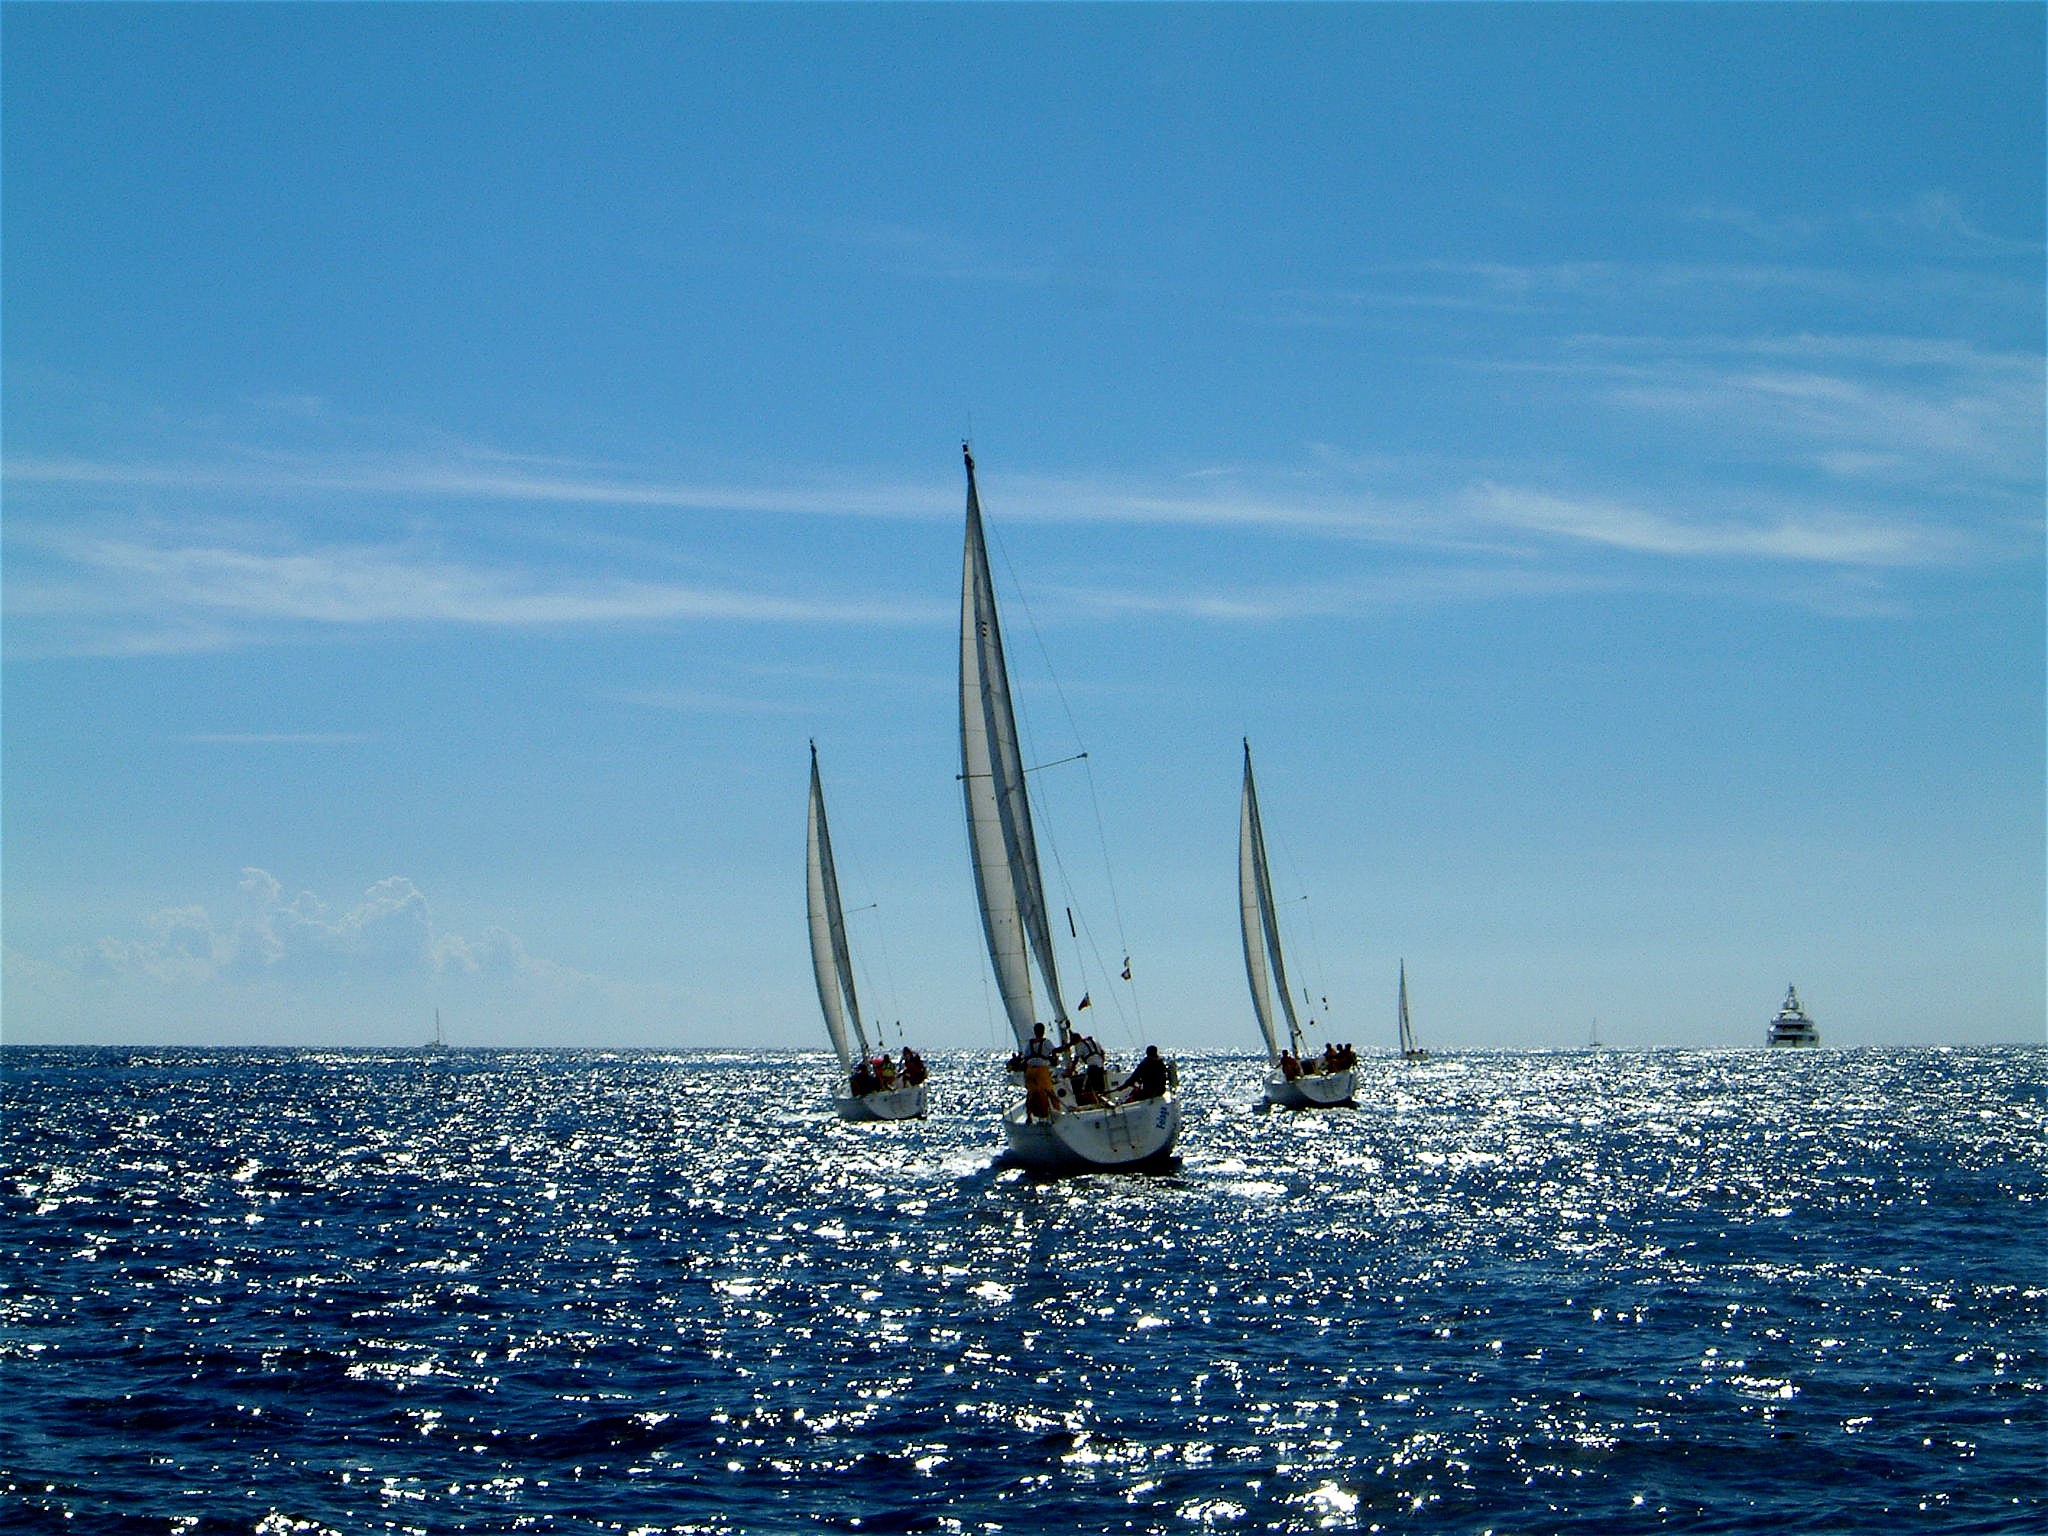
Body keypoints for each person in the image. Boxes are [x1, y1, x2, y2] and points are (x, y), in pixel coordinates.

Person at [1021, 1022, 1061, 1119]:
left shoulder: (1029, 1043)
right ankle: (1058, 1112)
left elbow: (1025, 1057)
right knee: (1050, 1092)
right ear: (1043, 1031)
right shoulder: (1046, 1042)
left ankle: (1029, 1116)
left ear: (1034, 1032)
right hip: (1041, 1071)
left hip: (1030, 1071)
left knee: (1030, 1094)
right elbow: (1055, 1051)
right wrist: (1069, 1045)